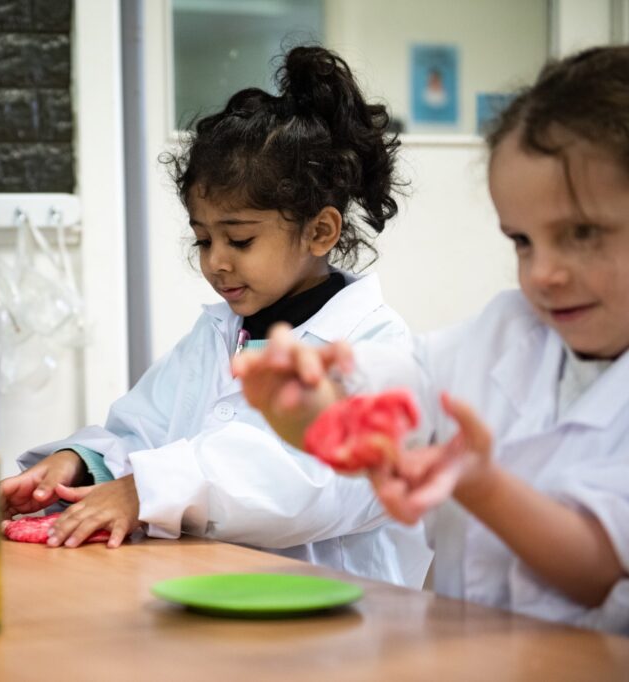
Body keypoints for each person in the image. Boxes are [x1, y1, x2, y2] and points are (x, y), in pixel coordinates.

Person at [0, 46, 433, 588]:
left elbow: (309, 484)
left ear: (320, 231)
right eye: (203, 239)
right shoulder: (219, 334)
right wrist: (78, 465)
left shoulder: (374, 349)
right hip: (221, 595)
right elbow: (146, 430)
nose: (215, 261)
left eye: (240, 239)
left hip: (341, 627)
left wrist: (145, 491)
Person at [234, 47, 629, 632]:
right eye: (523, 242)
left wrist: (480, 482)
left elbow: (593, 568)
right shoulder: (506, 330)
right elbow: (388, 392)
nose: (544, 272)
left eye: (582, 234)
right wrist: (307, 397)